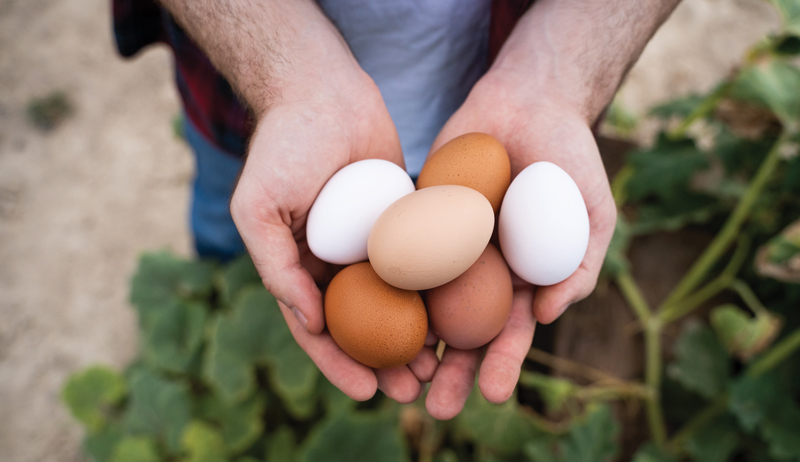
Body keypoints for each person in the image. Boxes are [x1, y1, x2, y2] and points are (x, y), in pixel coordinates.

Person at [112, 0, 680, 420]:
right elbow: (415, 246)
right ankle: (212, 282)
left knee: (299, 246)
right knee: (230, 216)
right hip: (259, 105)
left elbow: (432, 242)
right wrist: (282, 71)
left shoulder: (474, 206)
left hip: (495, 93)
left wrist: (564, 69)